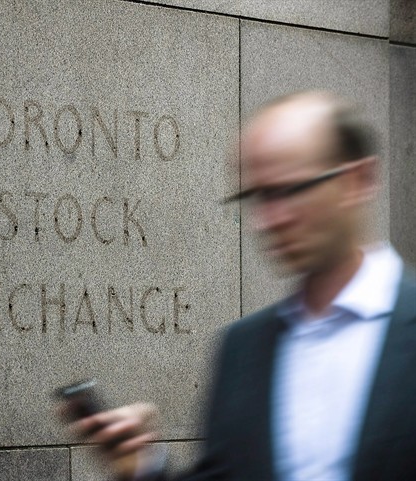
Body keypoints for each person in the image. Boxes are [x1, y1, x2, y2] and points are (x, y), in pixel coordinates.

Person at [63, 91, 416, 481]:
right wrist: (143, 467)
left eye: (290, 190)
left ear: (357, 180)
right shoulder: (242, 349)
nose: (267, 220)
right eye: (258, 196)